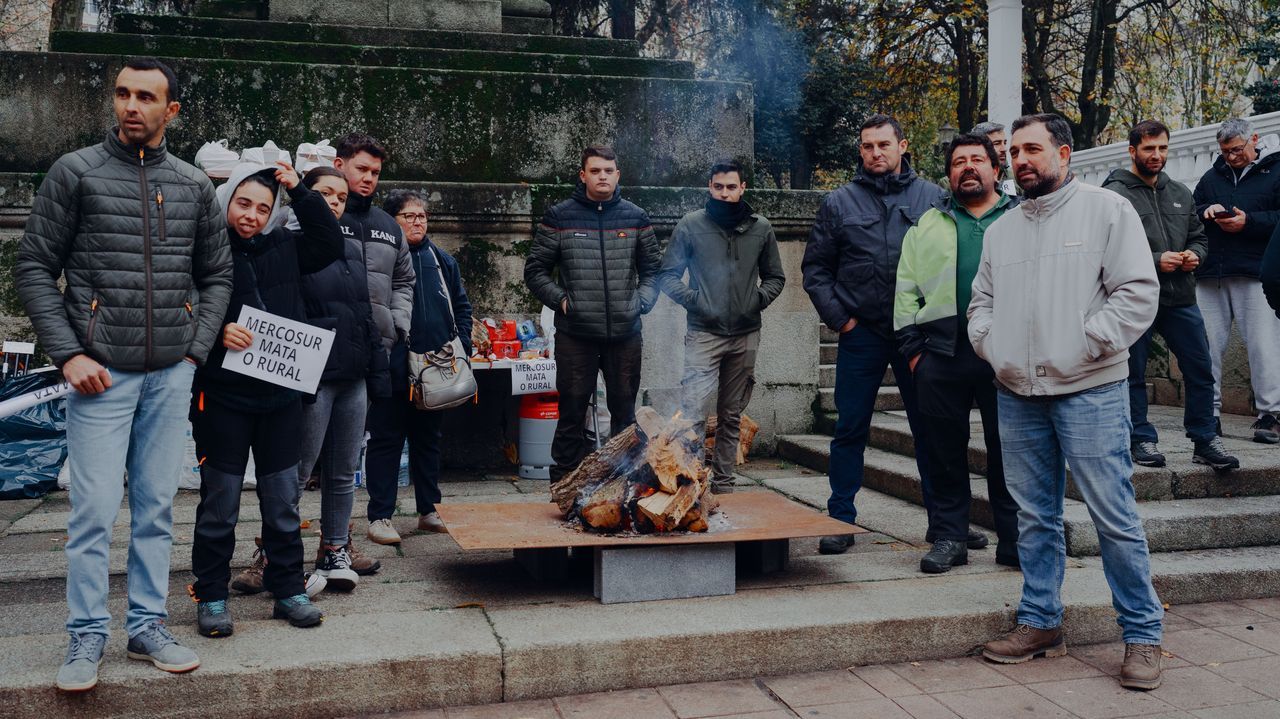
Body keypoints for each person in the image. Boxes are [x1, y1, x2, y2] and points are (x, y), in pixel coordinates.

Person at [16, 57, 232, 692]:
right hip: (100, 376)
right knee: (92, 509)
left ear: (172, 112)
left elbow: (217, 275)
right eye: (122, 94)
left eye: (146, 97)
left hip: (171, 374)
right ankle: (86, 635)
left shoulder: (193, 185)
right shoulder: (75, 173)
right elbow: (34, 268)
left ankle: (146, 625)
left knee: (158, 506)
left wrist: (194, 352)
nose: (131, 106)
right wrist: (69, 354)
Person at [970, 113, 1164, 691]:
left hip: (1092, 390)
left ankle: (1144, 634)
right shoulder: (1001, 229)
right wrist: (994, 347)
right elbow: (980, 301)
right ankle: (1040, 620)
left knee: (1115, 518)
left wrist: (1087, 344)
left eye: (1033, 149)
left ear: (1064, 153)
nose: (1021, 159)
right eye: (1013, 151)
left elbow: (1137, 292)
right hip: (1017, 393)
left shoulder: (1107, 211)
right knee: (1034, 517)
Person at [188, 159, 342, 637]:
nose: (251, 215)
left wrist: (300, 190)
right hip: (223, 399)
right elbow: (179, 305)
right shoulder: (203, 249)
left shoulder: (286, 246)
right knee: (221, 501)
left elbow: (329, 243)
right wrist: (215, 335)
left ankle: (288, 588)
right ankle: (211, 594)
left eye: (262, 206)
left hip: (280, 399)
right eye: (242, 204)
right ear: (226, 202)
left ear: (274, 212)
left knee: (282, 501)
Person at [801, 114, 950, 555]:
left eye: (884, 144)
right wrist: (843, 321)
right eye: (867, 146)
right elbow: (815, 270)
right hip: (861, 332)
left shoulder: (933, 198)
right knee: (850, 428)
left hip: (916, 335)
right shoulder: (839, 203)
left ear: (903, 146)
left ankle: (944, 524)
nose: (875, 153)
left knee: (930, 429)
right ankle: (840, 519)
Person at [893, 133, 1020, 573]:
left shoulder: (1021, 216)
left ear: (995, 168)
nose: (967, 167)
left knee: (1009, 451)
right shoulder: (928, 223)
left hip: (1006, 355)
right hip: (941, 355)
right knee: (943, 451)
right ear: (948, 175)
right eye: (958, 162)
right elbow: (906, 289)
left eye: (976, 160)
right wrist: (914, 353)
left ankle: (1014, 539)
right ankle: (950, 536)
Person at [1102, 120, 1238, 471]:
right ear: (1132, 151)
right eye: (1149, 148)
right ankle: (1140, 438)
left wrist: (1196, 255)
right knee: (1132, 372)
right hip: (1134, 298)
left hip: (1181, 297)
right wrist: (1155, 261)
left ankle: (1205, 438)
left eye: (1162, 148)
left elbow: (1199, 237)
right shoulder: (1113, 194)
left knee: (1200, 367)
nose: (1157, 155)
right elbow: (1103, 250)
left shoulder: (1179, 191)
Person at [523, 145, 662, 485]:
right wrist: (562, 301)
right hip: (576, 335)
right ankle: (564, 485)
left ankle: (623, 484)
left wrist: (641, 302)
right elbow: (535, 270)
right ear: (583, 175)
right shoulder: (560, 216)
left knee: (625, 415)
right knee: (571, 412)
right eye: (596, 170)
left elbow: (654, 271)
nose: (603, 176)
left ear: (617, 175)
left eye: (608, 171)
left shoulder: (635, 217)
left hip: (625, 335)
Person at [299, 143, 399, 576]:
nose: (335, 203)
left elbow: (366, 312)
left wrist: (382, 359)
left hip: (354, 374)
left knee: (343, 472)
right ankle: (273, 551)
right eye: (325, 195)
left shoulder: (357, 249)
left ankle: (335, 548)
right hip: (312, 375)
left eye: (339, 198)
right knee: (297, 470)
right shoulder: (291, 241)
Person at [658, 159, 786, 493]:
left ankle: (725, 484)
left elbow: (776, 277)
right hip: (703, 333)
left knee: (731, 415)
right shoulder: (691, 225)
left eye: (732, 187)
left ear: (743, 188)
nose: (725, 193)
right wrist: (698, 301)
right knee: (692, 412)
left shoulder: (761, 227)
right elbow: (668, 276)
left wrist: (755, 301)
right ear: (710, 187)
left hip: (745, 334)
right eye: (719, 187)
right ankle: (690, 482)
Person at [364, 190, 473, 541]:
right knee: (386, 440)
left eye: (422, 216)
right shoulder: (380, 257)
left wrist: (462, 348)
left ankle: (430, 510)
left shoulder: (442, 261)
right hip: (393, 367)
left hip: (435, 368)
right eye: (408, 216)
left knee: (429, 441)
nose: (417, 222)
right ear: (391, 220)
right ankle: (380, 516)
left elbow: (462, 307)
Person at [1193, 118, 1280, 443]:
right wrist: (1206, 211)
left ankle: (1270, 415)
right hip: (1212, 272)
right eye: (1225, 151)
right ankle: (1208, 414)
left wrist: (1250, 222)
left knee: (1263, 345)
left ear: (1253, 139)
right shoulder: (1211, 176)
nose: (1230, 157)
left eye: (1236, 150)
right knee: (1207, 347)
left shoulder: (1276, 170)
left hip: (1256, 271)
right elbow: (1191, 209)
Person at [971, 121, 1017, 197]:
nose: (1004, 149)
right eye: (997, 143)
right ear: (978, 147)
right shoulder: (955, 182)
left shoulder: (1015, 178)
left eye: (1004, 143)